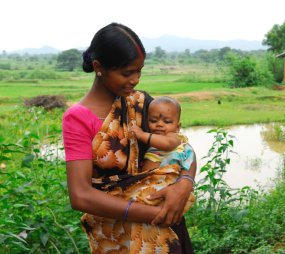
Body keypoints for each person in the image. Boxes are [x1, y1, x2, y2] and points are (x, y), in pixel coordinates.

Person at [62, 23, 196, 254]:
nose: (135, 80)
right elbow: (80, 195)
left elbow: (182, 148)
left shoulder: (142, 103)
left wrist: (184, 184)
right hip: (117, 237)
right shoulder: (78, 119)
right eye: (127, 73)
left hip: (165, 229)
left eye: (139, 71)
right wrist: (153, 214)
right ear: (98, 67)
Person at [131, 96, 195, 174]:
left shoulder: (174, 137)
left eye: (167, 121)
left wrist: (142, 135)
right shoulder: (152, 139)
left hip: (166, 181)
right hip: (149, 182)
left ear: (177, 127)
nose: (159, 124)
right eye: (153, 121)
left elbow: (167, 144)